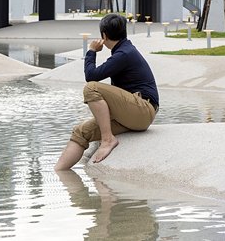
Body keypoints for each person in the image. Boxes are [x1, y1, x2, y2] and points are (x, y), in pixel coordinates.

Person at [55, 13, 159, 170]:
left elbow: (91, 77)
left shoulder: (124, 53)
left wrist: (91, 51)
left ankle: (107, 139)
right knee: (81, 131)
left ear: (104, 35)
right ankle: (60, 173)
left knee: (91, 88)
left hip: (143, 110)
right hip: (131, 115)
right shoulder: (123, 51)